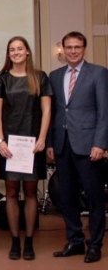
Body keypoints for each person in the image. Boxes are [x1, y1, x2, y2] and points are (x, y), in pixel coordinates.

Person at [48, 31, 108, 264]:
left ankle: (94, 244)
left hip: (89, 146)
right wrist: (52, 143)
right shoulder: (55, 75)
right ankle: (74, 240)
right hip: (62, 146)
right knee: (67, 197)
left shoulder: (99, 73)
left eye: (78, 47)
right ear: (63, 49)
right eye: (69, 47)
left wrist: (100, 143)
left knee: (93, 198)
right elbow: (54, 113)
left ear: (84, 48)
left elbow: (104, 112)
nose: (73, 51)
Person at [0, 36, 51, 261]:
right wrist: (0, 141)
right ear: (9, 54)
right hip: (9, 145)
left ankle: (29, 241)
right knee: (11, 193)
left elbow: (46, 111)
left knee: (30, 192)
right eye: (12, 50)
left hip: (33, 144)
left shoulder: (40, 77)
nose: (16, 52)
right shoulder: (2, 80)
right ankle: (15, 240)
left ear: (27, 52)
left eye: (20, 49)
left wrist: (43, 138)